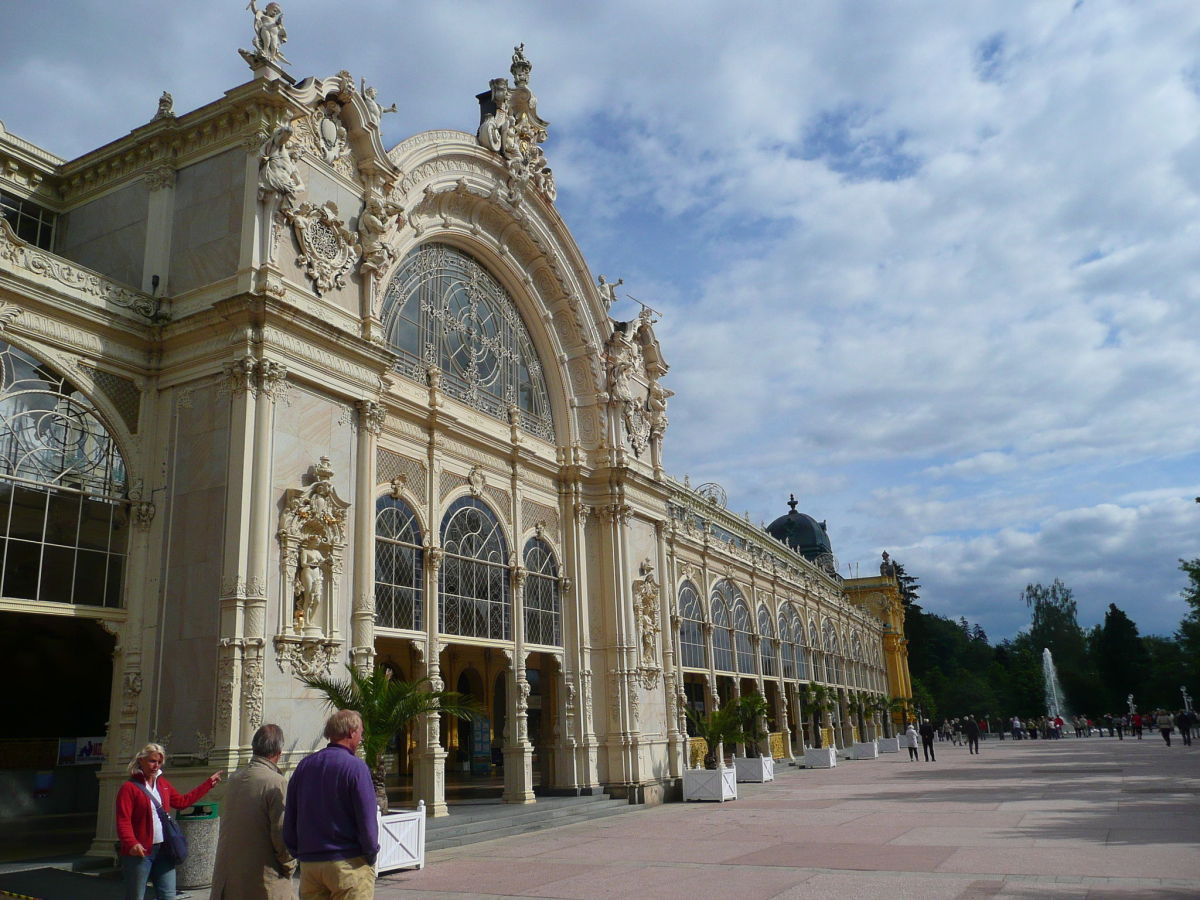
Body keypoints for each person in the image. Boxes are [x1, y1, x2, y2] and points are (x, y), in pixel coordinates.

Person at [284, 710, 379, 900]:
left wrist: (297, 850)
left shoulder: (304, 766)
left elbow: (290, 814)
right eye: (361, 732)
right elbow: (367, 818)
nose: (361, 737)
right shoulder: (355, 767)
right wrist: (370, 853)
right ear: (352, 732)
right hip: (347, 862)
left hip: (311, 864)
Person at [116, 743, 222, 900]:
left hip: (164, 850)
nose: (155, 766)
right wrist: (131, 843)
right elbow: (123, 820)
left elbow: (181, 802)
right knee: (135, 896)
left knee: (168, 896)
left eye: (159, 762)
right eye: (152, 761)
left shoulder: (163, 784)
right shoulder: (129, 788)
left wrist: (207, 785)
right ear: (141, 761)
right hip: (140, 853)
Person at [210, 724, 296, 899]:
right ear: (278, 753)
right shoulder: (275, 782)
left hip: (229, 878)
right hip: (262, 879)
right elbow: (281, 832)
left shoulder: (235, 778)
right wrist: (290, 864)